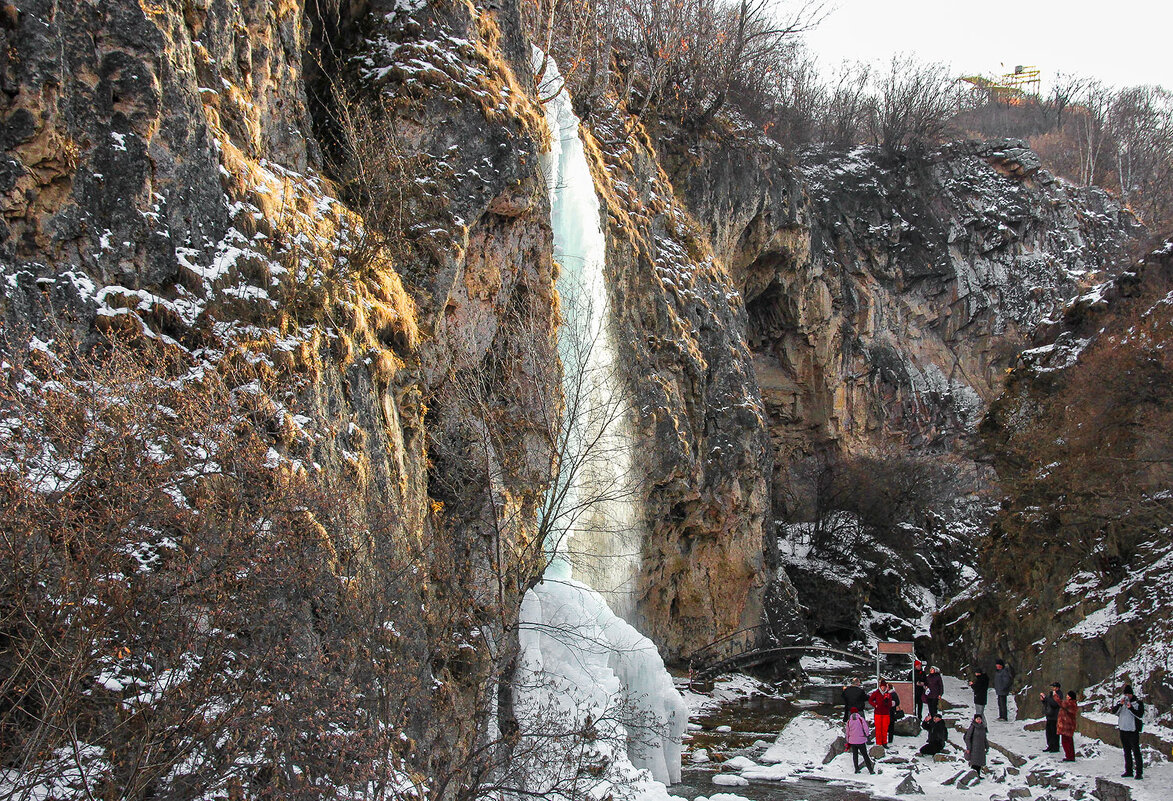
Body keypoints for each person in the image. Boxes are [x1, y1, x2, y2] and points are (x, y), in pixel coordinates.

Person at [1111, 684, 1145, 779]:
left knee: (1136, 752)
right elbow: (1114, 711)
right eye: (1126, 694)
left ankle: (1139, 772)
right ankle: (1128, 770)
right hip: (1123, 730)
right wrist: (1120, 705)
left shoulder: (1138, 703)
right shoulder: (1121, 703)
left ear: (1132, 694)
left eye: (1129, 694)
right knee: (1126, 751)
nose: (1127, 696)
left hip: (1133, 731)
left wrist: (1130, 708)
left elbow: (1139, 715)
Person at [846, 707, 875, 774]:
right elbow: (866, 728)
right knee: (865, 755)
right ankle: (870, 770)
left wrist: (848, 740)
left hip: (852, 741)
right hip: (861, 740)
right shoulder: (860, 719)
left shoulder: (849, 721)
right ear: (857, 712)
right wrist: (867, 736)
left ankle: (856, 769)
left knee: (855, 755)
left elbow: (847, 732)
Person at [868, 680, 895, 747]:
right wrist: (875, 705)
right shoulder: (876, 693)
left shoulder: (888, 694)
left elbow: (890, 704)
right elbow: (870, 700)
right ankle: (879, 742)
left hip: (886, 713)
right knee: (878, 728)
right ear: (880, 686)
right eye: (882, 686)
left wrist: (887, 702)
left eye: (884, 687)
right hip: (878, 713)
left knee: (885, 729)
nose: (883, 688)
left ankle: (884, 742)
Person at [964, 713, 989, 779]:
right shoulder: (972, 726)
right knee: (974, 762)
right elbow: (967, 737)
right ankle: (973, 775)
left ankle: (978, 775)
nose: (979, 720)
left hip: (981, 747)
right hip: (974, 748)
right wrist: (968, 748)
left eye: (980, 719)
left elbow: (984, 738)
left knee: (979, 762)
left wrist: (987, 746)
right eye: (977, 719)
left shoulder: (982, 727)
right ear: (975, 719)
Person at [1039, 682, 1062, 753]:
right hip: (1049, 715)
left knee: (1054, 732)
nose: (1052, 688)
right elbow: (1048, 703)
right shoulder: (1051, 694)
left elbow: (1055, 704)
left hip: (1055, 716)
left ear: (1057, 688)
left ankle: (1055, 747)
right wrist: (1043, 700)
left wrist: (1046, 698)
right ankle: (1050, 745)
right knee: (1049, 732)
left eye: (1054, 687)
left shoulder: (1059, 694)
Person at [1058, 690, 1080, 762]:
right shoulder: (1072, 704)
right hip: (1067, 726)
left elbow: (1061, 703)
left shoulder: (1070, 704)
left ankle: (1069, 756)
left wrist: (1055, 695)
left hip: (1067, 726)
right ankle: (1070, 756)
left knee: (1066, 742)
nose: (1067, 696)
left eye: (1068, 695)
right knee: (1068, 741)